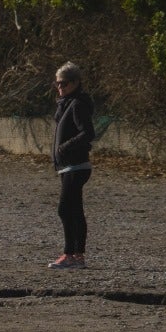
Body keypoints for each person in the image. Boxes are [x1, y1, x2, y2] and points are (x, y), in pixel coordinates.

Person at [49, 61, 96, 269]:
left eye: (65, 83)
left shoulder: (77, 104)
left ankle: (70, 254)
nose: (61, 87)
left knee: (65, 209)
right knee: (74, 210)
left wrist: (64, 148)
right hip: (68, 166)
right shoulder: (66, 104)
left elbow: (88, 133)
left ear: (76, 82)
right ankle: (78, 256)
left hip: (76, 166)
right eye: (58, 84)